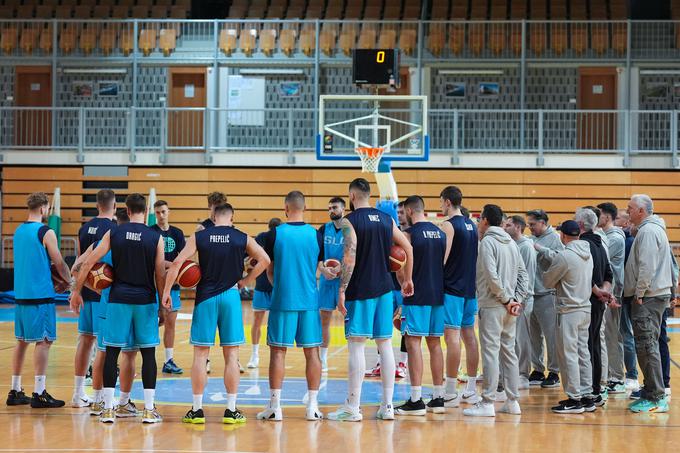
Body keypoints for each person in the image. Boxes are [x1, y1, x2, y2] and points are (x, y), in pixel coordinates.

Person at [164, 202, 269, 424]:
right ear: (232, 217)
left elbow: (177, 263)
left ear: (212, 216)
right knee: (232, 355)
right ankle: (231, 410)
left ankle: (197, 410)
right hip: (231, 296)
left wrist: (166, 292)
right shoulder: (242, 237)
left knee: (201, 355)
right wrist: (246, 282)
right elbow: (265, 260)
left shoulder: (200, 237)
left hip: (206, 298)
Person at [70, 193, 166, 424]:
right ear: (148, 211)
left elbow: (88, 262)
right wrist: (162, 303)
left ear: (126, 209)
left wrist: (76, 291)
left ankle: (108, 409)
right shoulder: (156, 237)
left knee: (111, 353)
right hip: (145, 301)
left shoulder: (113, 233)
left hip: (118, 300)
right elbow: (160, 273)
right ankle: (149, 410)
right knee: (148, 354)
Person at [328, 178, 414, 421]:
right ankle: (387, 407)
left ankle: (352, 407)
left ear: (352, 197)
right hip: (385, 289)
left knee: (356, 345)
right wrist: (407, 279)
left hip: (361, 289)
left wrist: (342, 289)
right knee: (385, 344)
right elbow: (407, 248)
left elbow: (350, 254)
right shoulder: (386, 219)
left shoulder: (348, 221)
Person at [257, 191, 331, 422]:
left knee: (278, 353)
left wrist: (278, 285)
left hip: (282, 301)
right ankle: (312, 407)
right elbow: (320, 267)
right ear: (305, 208)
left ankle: (275, 408)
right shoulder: (317, 235)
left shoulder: (273, 234)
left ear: (285, 208)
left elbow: (268, 269)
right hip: (309, 302)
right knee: (312, 354)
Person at [72, 210, 139, 418]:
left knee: (102, 351)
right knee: (128, 353)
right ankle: (123, 403)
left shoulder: (103, 242)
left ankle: (98, 400)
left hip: (105, 303)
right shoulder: (139, 242)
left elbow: (76, 267)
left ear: (115, 222)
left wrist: (94, 289)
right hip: (129, 304)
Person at [464, 205, 528, 417]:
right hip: (510, 307)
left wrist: (507, 299)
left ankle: (488, 402)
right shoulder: (512, 242)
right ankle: (512, 401)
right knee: (509, 353)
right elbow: (523, 276)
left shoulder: (487, 242)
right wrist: (516, 300)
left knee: (491, 353)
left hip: (493, 305)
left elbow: (491, 277)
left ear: (484, 220)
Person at [7, 192, 70, 409]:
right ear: (44, 209)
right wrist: (69, 282)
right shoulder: (45, 231)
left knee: (22, 341)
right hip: (40, 296)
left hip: (21, 294)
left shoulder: (18, 231)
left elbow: (36, 262)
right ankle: (39, 392)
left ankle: (15, 390)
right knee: (43, 341)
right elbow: (59, 262)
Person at [394, 196, 448, 416]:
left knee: (413, 343)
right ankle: (438, 397)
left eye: (402, 212)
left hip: (416, 295)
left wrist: (402, 283)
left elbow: (399, 269)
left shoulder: (408, 235)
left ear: (408, 210)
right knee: (435, 344)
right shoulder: (442, 234)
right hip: (438, 295)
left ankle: (416, 399)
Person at [538, 220, 594, 414]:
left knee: (568, 355)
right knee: (582, 354)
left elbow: (547, 281)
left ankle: (574, 398)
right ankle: (587, 395)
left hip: (568, 310)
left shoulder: (565, 256)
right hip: (585, 308)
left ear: (563, 236)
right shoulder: (588, 252)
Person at [624, 194, 673, 413]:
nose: (627, 212)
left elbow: (647, 266)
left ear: (642, 211)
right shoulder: (655, 229)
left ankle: (656, 397)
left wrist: (640, 293)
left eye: (630, 208)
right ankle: (652, 390)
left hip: (648, 296)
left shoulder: (648, 231)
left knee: (647, 345)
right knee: (647, 345)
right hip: (655, 294)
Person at [72, 189, 117, 408]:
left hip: (86, 294)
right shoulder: (114, 230)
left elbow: (79, 265)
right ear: (115, 206)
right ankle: (100, 397)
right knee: (104, 348)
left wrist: (78, 290)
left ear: (97, 205)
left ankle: (78, 393)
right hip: (104, 296)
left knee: (85, 341)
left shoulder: (82, 228)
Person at [438, 186, 480, 407]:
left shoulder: (448, 225)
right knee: (469, 337)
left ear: (446, 202)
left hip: (452, 289)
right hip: (469, 289)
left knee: (452, 338)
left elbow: (442, 260)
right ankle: (471, 389)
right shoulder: (472, 225)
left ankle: (450, 391)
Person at [574, 208, 615, 408]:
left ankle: (588, 391)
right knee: (594, 346)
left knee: (586, 347)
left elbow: (584, 275)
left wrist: (598, 292)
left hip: (588, 302)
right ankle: (596, 390)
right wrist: (604, 291)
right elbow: (609, 274)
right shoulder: (600, 244)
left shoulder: (583, 245)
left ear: (581, 225)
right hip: (598, 302)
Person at [366, 200, 409, 379]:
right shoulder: (377, 232)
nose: (399, 215)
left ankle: (403, 363)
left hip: (399, 288)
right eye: (396, 212)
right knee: (381, 328)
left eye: (400, 212)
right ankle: (380, 363)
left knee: (405, 327)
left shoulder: (404, 235)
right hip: (384, 287)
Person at [526, 209, 563, 388]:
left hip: (548, 293)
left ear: (543, 222)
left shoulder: (555, 238)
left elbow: (560, 259)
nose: (530, 227)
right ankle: (538, 369)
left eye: (532, 224)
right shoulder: (530, 238)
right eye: (528, 224)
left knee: (551, 335)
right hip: (532, 293)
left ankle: (554, 371)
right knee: (534, 336)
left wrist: (541, 249)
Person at [151, 200, 186, 375]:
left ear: (169, 211)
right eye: (157, 212)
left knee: (170, 324)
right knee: (150, 323)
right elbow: (152, 260)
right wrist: (171, 264)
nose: (161, 215)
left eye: (163, 211)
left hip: (172, 286)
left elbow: (183, 259)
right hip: (154, 285)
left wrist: (178, 269)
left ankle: (168, 360)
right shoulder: (150, 232)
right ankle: (138, 358)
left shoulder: (177, 233)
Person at [503, 215, 537, 389]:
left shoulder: (526, 247)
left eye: (508, 225)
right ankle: (512, 372)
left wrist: (520, 299)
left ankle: (523, 374)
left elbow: (527, 277)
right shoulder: (513, 245)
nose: (504, 227)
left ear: (518, 227)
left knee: (522, 339)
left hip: (523, 299)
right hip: (514, 300)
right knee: (512, 338)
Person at [597, 202, 627, 394]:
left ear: (607, 217)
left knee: (612, 336)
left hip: (613, 292)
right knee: (607, 336)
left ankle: (617, 377)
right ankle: (610, 374)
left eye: (598, 215)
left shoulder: (614, 238)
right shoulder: (606, 236)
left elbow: (604, 264)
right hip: (607, 291)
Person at [248, 217, 282, 369]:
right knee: (260, 323)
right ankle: (255, 355)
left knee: (264, 323)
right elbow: (250, 259)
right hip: (263, 286)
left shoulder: (282, 240)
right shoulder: (261, 238)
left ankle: (269, 356)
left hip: (276, 286)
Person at [615, 208, 639, 390]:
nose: (614, 221)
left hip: (626, 295)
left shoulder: (627, 241)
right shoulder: (622, 239)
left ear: (626, 222)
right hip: (623, 294)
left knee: (626, 334)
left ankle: (632, 374)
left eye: (617, 218)